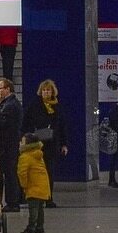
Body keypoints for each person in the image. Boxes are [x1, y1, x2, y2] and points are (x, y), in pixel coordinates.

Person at [22, 78, 68, 207]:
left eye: (48, 90)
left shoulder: (57, 107)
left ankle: (49, 198)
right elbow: (26, 123)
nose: (46, 92)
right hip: (36, 143)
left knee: (49, 171)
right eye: (44, 90)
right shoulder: (34, 106)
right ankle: (36, 197)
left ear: (52, 92)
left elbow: (62, 126)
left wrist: (64, 144)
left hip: (52, 143)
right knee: (35, 171)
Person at [0, 78, 24, 211]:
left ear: (8, 89)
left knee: (10, 173)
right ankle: (13, 200)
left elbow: (3, 124)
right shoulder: (10, 103)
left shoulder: (10, 105)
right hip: (11, 143)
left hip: (9, 144)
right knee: (10, 173)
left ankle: (12, 202)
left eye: (0, 88)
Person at [17, 134, 51, 233]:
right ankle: (40, 228)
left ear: (28, 145)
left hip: (33, 186)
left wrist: (24, 185)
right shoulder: (38, 155)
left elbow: (22, 173)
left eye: (22, 142)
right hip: (43, 186)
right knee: (40, 209)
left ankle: (31, 228)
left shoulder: (25, 157)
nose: (20, 143)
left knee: (33, 209)